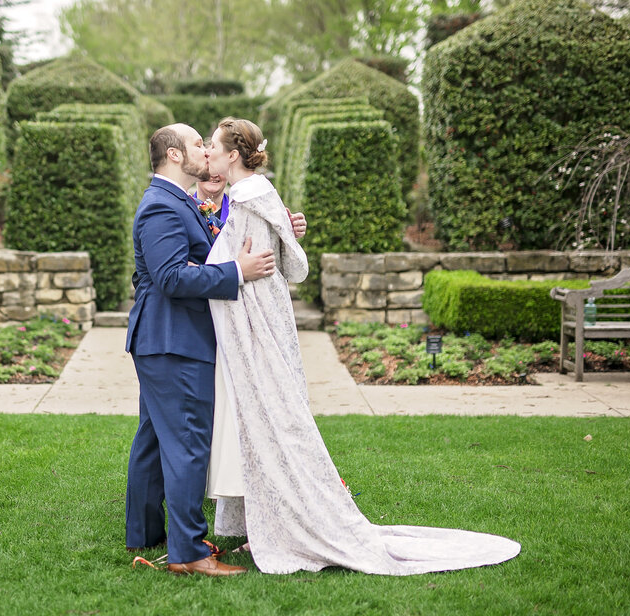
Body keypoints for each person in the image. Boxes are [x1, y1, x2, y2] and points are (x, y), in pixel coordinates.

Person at [204, 117, 521, 575]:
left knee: (274, 418)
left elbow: (230, 263)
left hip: (259, 328)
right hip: (269, 318)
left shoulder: (250, 199)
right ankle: (268, 520)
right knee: (275, 417)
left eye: (214, 146)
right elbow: (290, 263)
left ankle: (289, 524)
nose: (209, 153)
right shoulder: (256, 196)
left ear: (233, 154)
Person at [124, 123, 275, 577]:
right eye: (196, 145)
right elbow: (171, 278)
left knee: (153, 441)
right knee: (188, 443)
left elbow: (202, 253)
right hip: (173, 341)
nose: (205, 153)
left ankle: (145, 534)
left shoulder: (180, 203)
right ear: (174, 155)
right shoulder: (161, 208)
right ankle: (188, 552)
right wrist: (237, 272)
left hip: (166, 339)